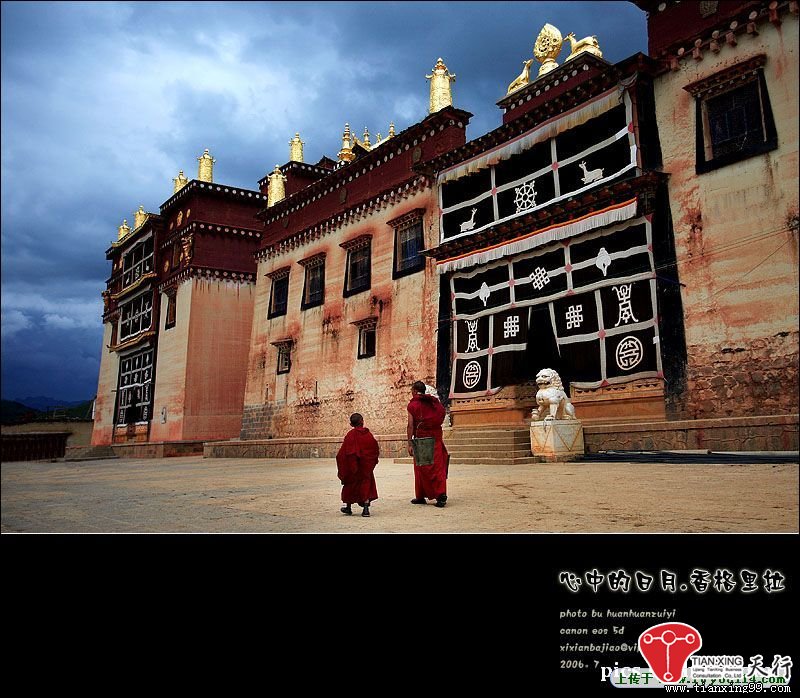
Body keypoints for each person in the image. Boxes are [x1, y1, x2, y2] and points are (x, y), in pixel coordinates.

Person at [407, 380, 450, 507]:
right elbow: (442, 415)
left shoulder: (413, 405)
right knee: (437, 467)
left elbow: (410, 425)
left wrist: (410, 443)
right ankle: (435, 494)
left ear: (415, 391)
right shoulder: (434, 403)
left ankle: (431, 495)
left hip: (421, 439)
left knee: (420, 468)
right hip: (435, 438)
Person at [336, 413, 380, 517]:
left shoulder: (350, 435)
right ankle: (366, 509)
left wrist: (344, 467)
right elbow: (374, 449)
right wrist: (371, 462)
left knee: (350, 484)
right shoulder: (368, 435)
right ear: (362, 421)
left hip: (353, 468)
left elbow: (342, 454)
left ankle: (348, 507)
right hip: (366, 467)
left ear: (351, 424)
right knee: (366, 484)